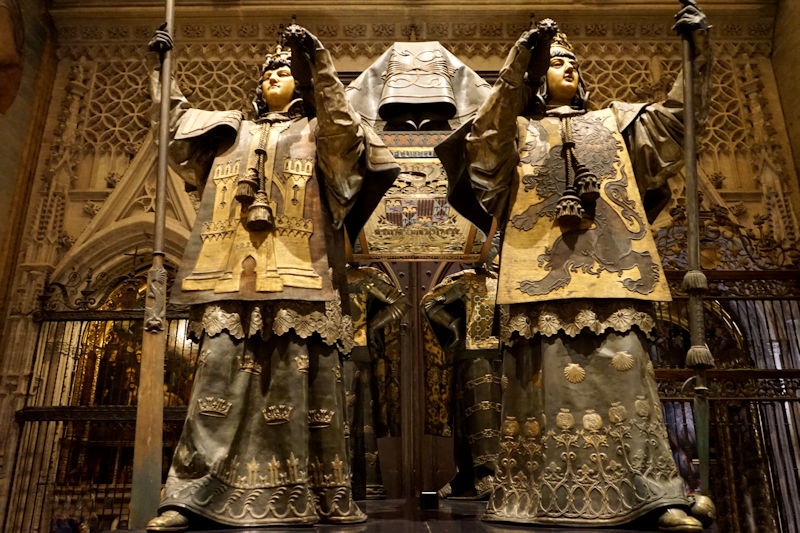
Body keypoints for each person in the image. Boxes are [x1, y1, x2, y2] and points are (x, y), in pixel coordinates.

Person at [436, 2, 713, 531]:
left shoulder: (616, 123)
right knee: (549, 390)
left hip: (614, 273)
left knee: (628, 381)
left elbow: (679, 121)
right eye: (554, 62)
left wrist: (698, 53)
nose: (566, 67)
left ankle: (653, 493)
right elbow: (483, 149)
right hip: (538, 278)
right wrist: (518, 64)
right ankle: (545, 493)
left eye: (572, 62)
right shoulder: (515, 131)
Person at [145, 24, 399, 531]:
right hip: (227, 272)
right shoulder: (229, 131)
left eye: (284, 71)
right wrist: (160, 72)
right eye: (267, 72)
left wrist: (318, 62)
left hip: (300, 271)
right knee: (217, 377)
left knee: (295, 381)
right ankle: (191, 494)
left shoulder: (319, 131)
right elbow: (174, 127)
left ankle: (306, 490)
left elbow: (347, 140)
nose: (273, 77)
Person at [421, 266, 501, 500]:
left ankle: (490, 475)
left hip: (505, 354)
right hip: (474, 356)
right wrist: (454, 327)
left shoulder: (509, 279)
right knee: (473, 417)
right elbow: (429, 304)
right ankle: (478, 475)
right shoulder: (467, 280)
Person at [343, 265, 409, 499]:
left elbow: (401, 302)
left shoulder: (362, 278)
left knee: (359, 418)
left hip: (356, 352)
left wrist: (373, 326)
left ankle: (363, 481)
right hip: (327, 348)